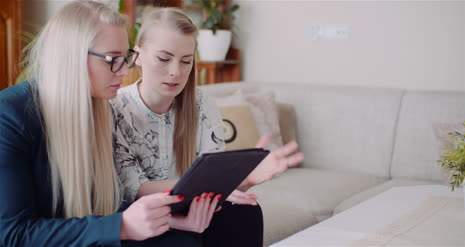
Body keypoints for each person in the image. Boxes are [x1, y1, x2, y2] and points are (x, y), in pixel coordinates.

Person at [0, 1, 217, 246]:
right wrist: (122, 226)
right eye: (112, 59)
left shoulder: (99, 109)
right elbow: (12, 235)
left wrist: (171, 220)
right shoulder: (9, 116)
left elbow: (109, 202)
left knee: (184, 239)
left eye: (125, 58)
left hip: (88, 234)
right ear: (72, 57)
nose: (125, 71)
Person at [111, 7, 304, 247]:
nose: (175, 72)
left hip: (193, 202)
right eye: (163, 58)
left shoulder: (201, 104)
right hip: (143, 213)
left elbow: (214, 176)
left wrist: (247, 177)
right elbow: (137, 189)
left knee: (244, 211)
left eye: (186, 61)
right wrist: (205, 188)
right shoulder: (116, 107)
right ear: (138, 55)